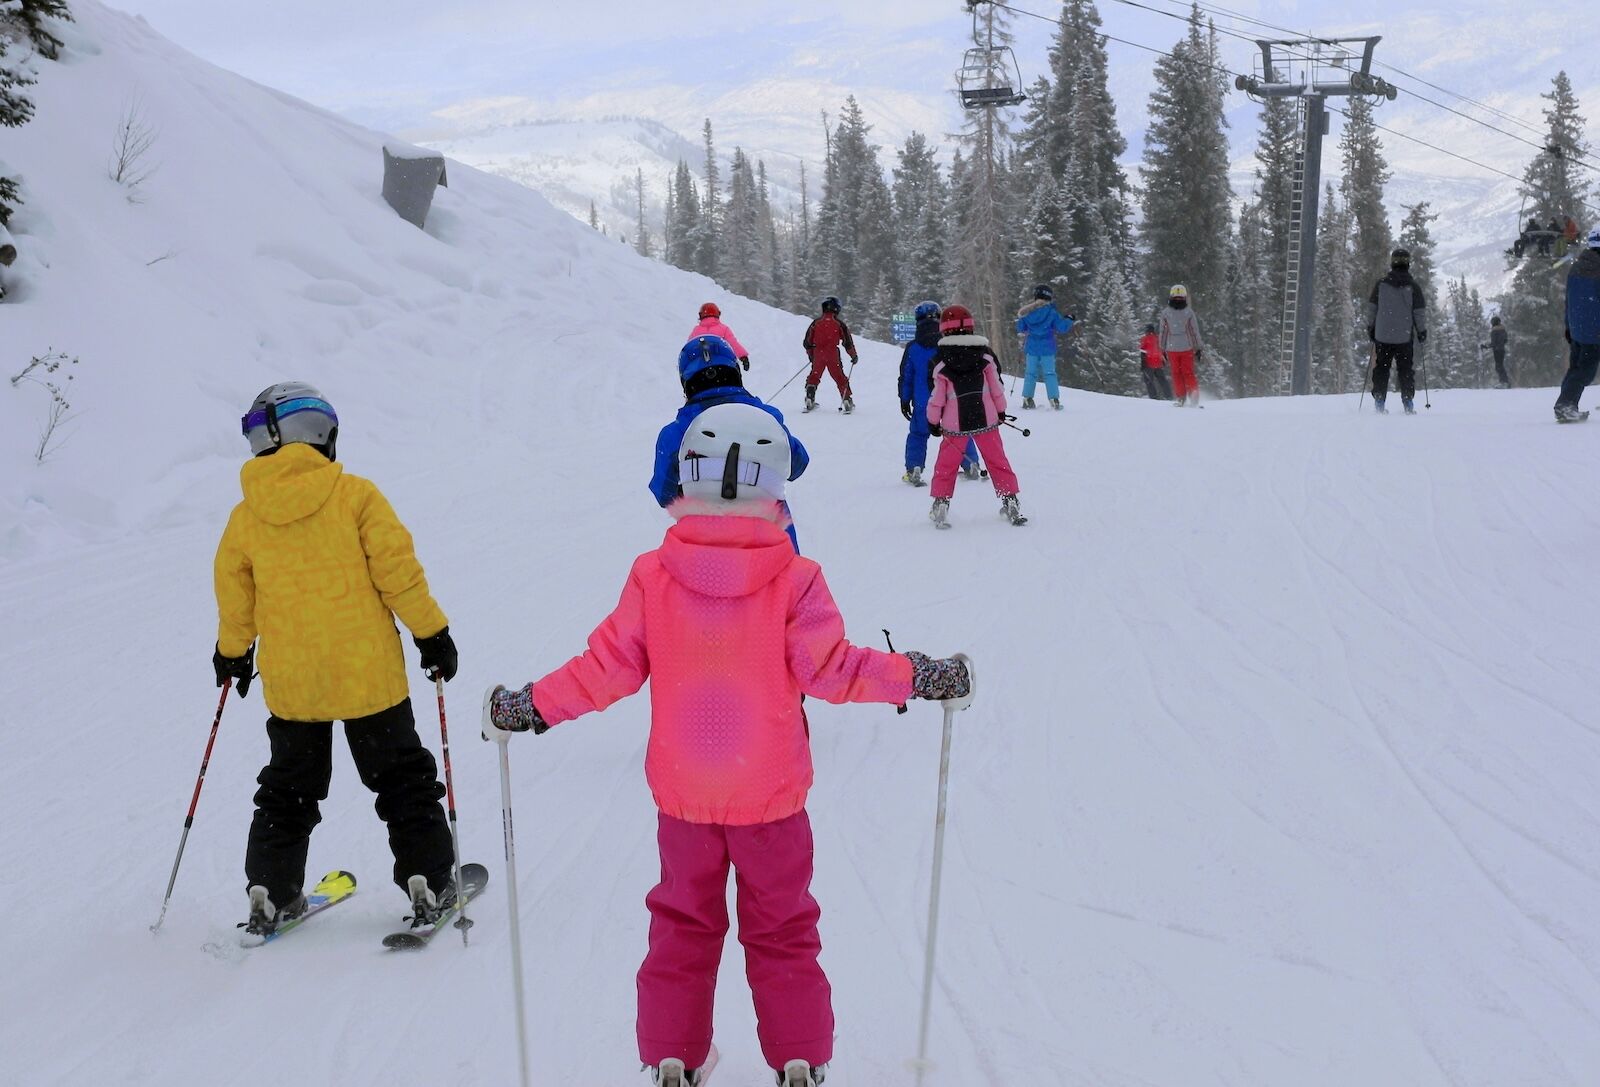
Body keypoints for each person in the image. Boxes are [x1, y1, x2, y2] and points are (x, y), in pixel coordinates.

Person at [482, 402, 973, 1087]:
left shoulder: (654, 575)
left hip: (686, 795)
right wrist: (916, 674)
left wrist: (529, 705)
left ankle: (674, 1056)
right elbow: (833, 668)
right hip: (769, 796)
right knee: (781, 929)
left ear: (689, 477)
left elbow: (607, 667)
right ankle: (798, 1057)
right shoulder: (794, 577)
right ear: (774, 487)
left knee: (683, 926)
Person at [213, 382, 461, 937]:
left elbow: (236, 598)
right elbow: (398, 574)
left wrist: (232, 654)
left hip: (295, 686)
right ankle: (428, 877)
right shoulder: (355, 495)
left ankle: (270, 890)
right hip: (368, 678)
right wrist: (432, 634)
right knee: (400, 778)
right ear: (321, 434)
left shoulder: (245, 517)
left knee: (288, 787)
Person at [650, 335, 809, 550]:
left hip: (705, 542)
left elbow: (664, 495)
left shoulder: (675, 433)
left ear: (686, 383)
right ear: (734, 372)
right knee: (789, 581)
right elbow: (798, 464)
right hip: (772, 540)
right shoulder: (766, 418)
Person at [926, 304, 1025, 528]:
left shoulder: (939, 361)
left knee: (946, 465)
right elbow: (996, 388)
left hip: (954, 425)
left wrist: (933, 421)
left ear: (943, 330)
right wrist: (1000, 410)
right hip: (986, 421)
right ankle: (1010, 499)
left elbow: (937, 398)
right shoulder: (985, 356)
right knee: (997, 461)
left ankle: (941, 503)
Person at [897, 300, 980, 486]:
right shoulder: (947, 344)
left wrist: (904, 399)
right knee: (958, 431)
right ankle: (970, 463)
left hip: (922, 401)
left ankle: (914, 468)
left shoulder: (913, 348)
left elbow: (906, 375)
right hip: (950, 399)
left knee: (918, 434)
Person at [1366, 248, 1428, 415]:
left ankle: (1379, 401)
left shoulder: (1381, 284)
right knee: (1405, 369)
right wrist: (1421, 331)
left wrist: (1370, 327)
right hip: (1403, 337)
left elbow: (1372, 308)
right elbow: (1419, 312)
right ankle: (1408, 402)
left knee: (1382, 368)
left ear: (1392, 263)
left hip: (1382, 335)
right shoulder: (1413, 287)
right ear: (1408, 263)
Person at [1554, 228, 1600, 423]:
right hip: (1594, 330)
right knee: (1585, 371)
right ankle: (1565, 406)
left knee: (1576, 368)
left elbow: (1569, 299)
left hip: (1577, 329)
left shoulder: (1577, 266)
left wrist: (1568, 326)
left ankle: (1566, 404)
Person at [1014, 284, 1075, 409]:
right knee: (1049, 374)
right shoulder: (1051, 312)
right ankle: (1053, 400)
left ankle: (1027, 399)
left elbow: (1020, 328)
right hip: (1047, 348)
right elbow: (1062, 328)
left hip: (1031, 348)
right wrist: (1069, 319)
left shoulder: (1027, 313)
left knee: (1030, 374)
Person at [801, 296, 859, 413]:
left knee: (814, 376)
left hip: (818, 354)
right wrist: (853, 355)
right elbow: (847, 342)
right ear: (836, 309)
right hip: (833, 354)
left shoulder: (816, 323)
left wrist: (811, 355)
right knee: (839, 377)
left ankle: (810, 398)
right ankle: (846, 400)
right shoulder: (839, 324)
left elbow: (807, 342)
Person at [1158, 285, 1205, 407]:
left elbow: (1163, 332)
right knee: (1188, 372)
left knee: (1176, 373)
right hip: (1186, 347)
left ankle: (1181, 397)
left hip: (1171, 348)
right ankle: (1193, 392)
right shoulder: (1188, 312)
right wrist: (1198, 347)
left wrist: (1161, 349)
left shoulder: (1166, 313)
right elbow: (1194, 331)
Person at [688, 302, 750, 372]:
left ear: (700, 315)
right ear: (718, 314)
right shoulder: (724, 329)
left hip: (701, 368)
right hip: (722, 366)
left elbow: (690, 348)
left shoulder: (696, 330)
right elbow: (733, 344)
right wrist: (743, 357)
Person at [1138, 322, 1172, 400]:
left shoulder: (1145, 338)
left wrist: (1143, 363)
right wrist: (1164, 360)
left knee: (1149, 381)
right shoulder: (1158, 338)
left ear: (1146, 330)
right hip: (1158, 363)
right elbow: (1163, 350)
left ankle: (1154, 397)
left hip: (1148, 363)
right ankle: (1169, 396)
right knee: (1162, 380)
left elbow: (1142, 351)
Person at [1488, 316, 1510, 388]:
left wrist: (1486, 346)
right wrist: (1501, 344)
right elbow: (1505, 340)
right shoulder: (1503, 330)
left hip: (1497, 350)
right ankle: (1504, 381)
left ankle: (1504, 382)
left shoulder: (1494, 331)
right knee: (1500, 365)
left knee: (1498, 366)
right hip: (1502, 350)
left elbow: (1493, 343)